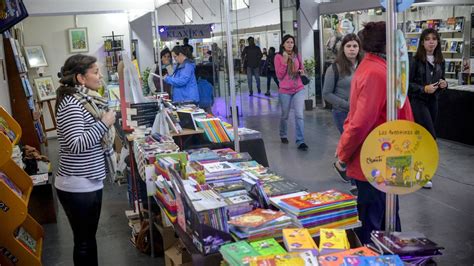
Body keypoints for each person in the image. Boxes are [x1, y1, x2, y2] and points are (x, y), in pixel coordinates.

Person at [336, 22, 414, 244]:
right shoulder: (379, 70)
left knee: (377, 218)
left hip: (379, 156)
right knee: (382, 217)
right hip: (382, 154)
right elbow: (363, 121)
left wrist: (342, 153)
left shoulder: (374, 69)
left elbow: (360, 122)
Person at [54, 54, 116, 265]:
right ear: (81, 78)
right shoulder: (72, 103)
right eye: (95, 72)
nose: (100, 76)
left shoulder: (84, 99)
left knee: (87, 239)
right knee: (83, 241)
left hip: (88, 180)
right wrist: (104, 123)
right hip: (77, 183)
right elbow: (76, 144)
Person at [322, 33, 363, 194]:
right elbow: (326, 93)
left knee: (356, 144)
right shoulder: (334, 68)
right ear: (342, 48)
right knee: (353, 144)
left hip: (362, 112)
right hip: (342, 113)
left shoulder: (364, 65)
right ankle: (354, 182)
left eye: (355, 46)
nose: (352, 49)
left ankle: (341, 163)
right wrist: (347, 105)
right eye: (348, 46)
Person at [408, 28, 447, 189]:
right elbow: (407, 85)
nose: (431, 42)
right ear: (422, 42)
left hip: (433, 102)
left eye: (434, 39)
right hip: (418, 102)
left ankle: (418, 171)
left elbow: (441, 80)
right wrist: (423, 89)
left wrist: (443, 84)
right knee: (429, 137)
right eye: (427, 39)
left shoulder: (440, 61)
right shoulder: (415, 60)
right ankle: (423, 174)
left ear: (437, 42)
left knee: (423, 139)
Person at [274, 34, 308, 151]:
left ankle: (300, 141)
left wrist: (302, 72)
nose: (290, 44)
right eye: (287, 42)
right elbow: (279, 75)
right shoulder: (278, 57)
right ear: (283, 44)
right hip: (285, 90)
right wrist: (284, 61)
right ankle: (283, 134)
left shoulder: (297, 55)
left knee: (299, 115)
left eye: (292, 42)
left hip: (298, 88)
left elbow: (302, 68)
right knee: (285, 115)